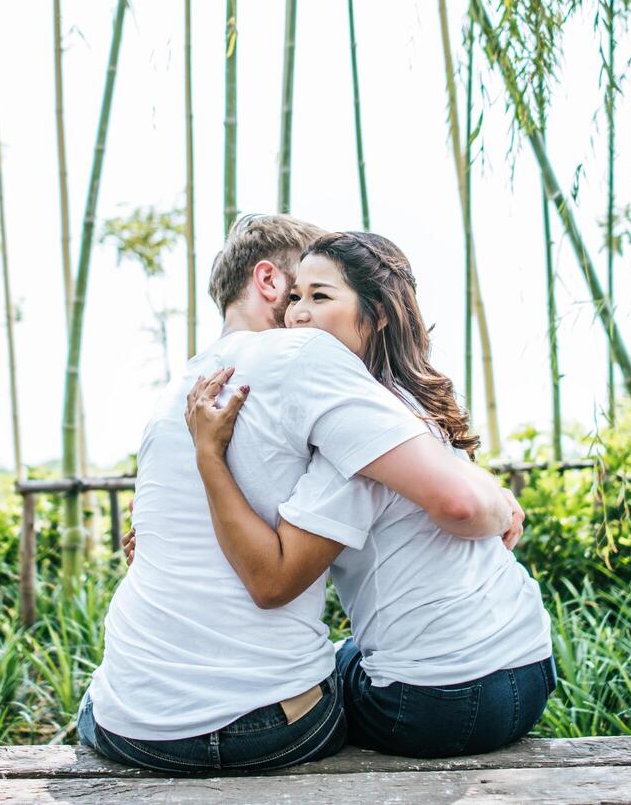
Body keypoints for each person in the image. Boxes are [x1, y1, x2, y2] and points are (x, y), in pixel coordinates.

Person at [79, 215, 523, 773]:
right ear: (269, 282)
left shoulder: (177, 391)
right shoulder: (306, 357)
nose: (302, 313)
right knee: (358, 667)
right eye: (298, 292)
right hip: (263, 727)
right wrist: (493, 493)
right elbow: (442, 488)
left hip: (126, 721)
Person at [184, 231, 556, 758]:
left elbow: (273, 581)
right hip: (530, 669)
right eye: (295, 298)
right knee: (348, 653)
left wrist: (208, 457)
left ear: (378, 313)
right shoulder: (410, 400)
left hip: (435, 704)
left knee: (298, 688)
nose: (298, 315)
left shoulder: (354, 430)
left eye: (320, 296)